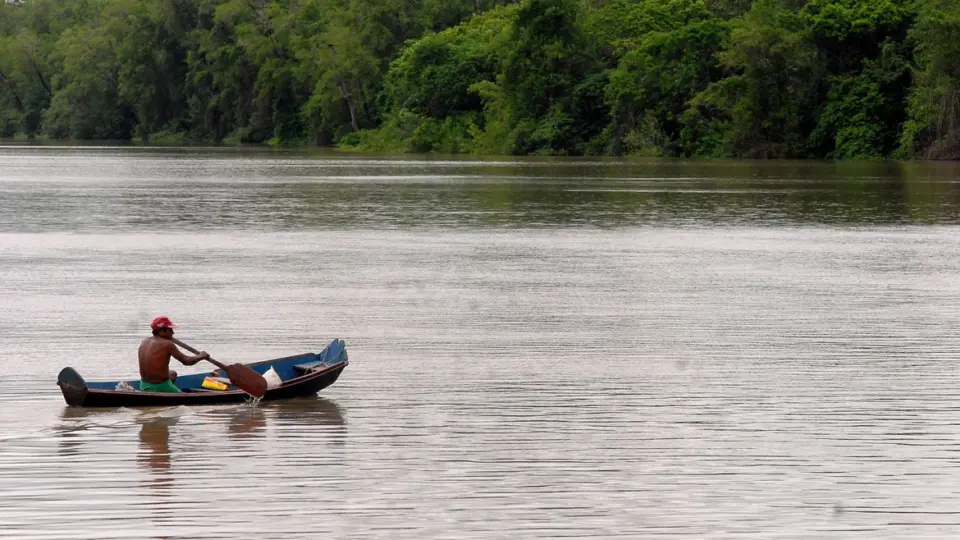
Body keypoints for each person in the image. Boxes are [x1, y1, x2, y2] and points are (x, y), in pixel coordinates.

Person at [138, 316, 210, 393]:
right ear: (162, 330)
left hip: (143, 384)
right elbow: (186, 361)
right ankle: (166, 390)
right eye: (170, 330)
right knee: (183, 395)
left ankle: (164, 389)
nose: (173, 333)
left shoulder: (144, 341)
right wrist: (201, 356)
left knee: (172, 374)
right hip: (159, 386)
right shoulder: (167, 344)